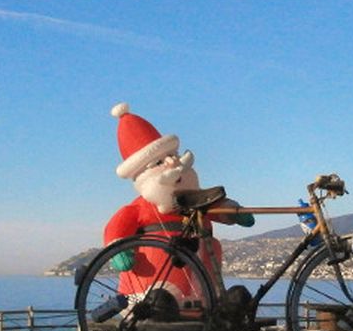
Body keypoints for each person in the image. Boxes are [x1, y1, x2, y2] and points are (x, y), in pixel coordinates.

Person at [104, 103, 253, 306]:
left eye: (173, 156)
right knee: (160, 301)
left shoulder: (195, 198)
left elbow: (214, 207)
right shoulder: (139, 208)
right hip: (152, 290)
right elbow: (116, 228)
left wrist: (233, 212)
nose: (173, 164)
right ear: (143, 176)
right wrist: (119, 249)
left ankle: (213, 302)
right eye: (159, 163)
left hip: (202, 286)